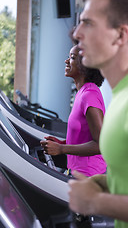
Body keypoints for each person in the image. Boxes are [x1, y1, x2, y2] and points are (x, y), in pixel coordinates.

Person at [68, 0, 128, 228]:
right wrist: (100, 183)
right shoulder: (123, 92)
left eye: (88, 24)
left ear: (120, 35)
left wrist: (97, 203)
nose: (77, 33)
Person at [40, 44, 107, 177]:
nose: (66, 61)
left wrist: (61, 149)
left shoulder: (89, 95)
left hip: (89, 176)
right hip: (77, 172)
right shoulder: (82, 93)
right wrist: (64, 143)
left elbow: (101, 144)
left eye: (72, 57)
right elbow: (85, 137)